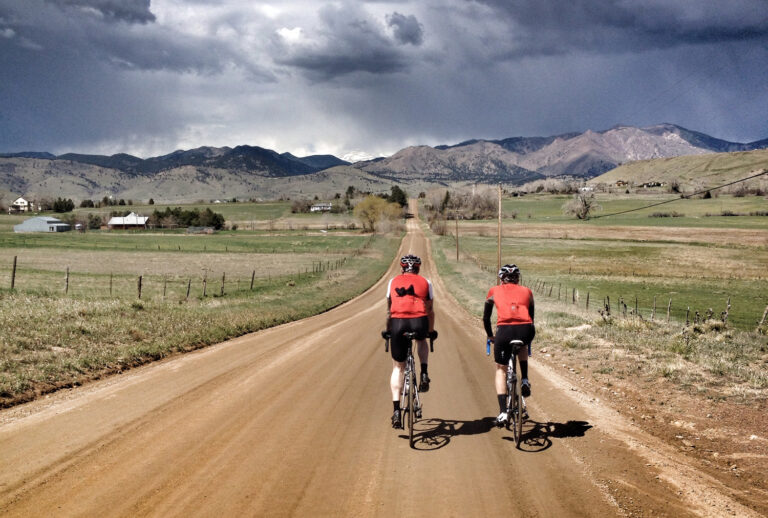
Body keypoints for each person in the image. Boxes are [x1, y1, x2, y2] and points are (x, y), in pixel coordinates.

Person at [383, 254, 436, 429]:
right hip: (419, 320)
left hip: (398, 322)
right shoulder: (426, 282)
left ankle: (396, 410)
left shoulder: (392, 282)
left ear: (402, 268)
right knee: (421, 341)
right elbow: (430, 310)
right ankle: (424, 372)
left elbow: (389, 310)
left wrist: (389, 330)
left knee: (398, 366)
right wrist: (430, 331)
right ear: (418, 268)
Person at [484, 264, 535, 427]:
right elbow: (531, 316)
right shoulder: (528, 291)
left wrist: (490, 335)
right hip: (526, 329)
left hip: (504, 332)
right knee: (523, 345)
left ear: (501, 278)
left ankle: (503, 412)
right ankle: (525, 379)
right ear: (518, 278)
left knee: (501, 369)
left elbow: (486, 318)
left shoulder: (493, 291)